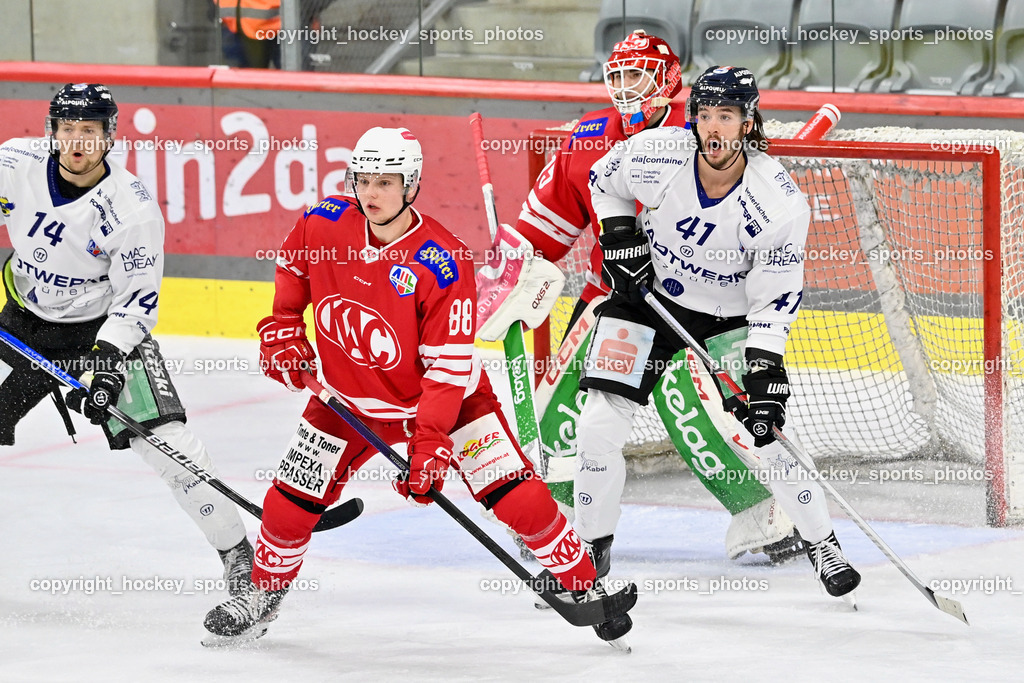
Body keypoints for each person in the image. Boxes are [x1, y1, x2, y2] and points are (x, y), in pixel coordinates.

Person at [202, 127, 633, 650]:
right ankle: (260, 594)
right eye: (363, 180)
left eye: (385, 182)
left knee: (518, 498)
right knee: (290, 501)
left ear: (411, 186)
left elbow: (448, 371)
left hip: (446, 403)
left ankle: (582, 582)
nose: (371, 193)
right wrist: (283, 329)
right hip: (345, 401)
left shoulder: (442, 260)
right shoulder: (323, 224)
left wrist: (429, 445)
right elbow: (292, 268)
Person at [475, 29, 805, 569]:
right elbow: (542, 229)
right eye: (619, 76)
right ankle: (556, 519)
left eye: (639, 75)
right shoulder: (588, 140)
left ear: (669, 81)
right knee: (566, 407)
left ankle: (766, 510)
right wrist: (507, 265)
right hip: (619, 299)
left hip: (706, 305)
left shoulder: (697, 133)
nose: (627, 88)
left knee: (696, 407)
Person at [577, 65, 861, 599]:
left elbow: (774, 297)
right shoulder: (656, 153)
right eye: (704, 114)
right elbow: (602, 183)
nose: (712, 128)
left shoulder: (777, 202)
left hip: (731, 317)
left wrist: (764, 367)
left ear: (747, 122)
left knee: (767, 433)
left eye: (725, 116)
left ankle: (821, 540)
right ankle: (588, 553)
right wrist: (619, 238)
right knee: (597, 425)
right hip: (651, 300)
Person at [0, 83, 253, 595]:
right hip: (23, 323)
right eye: (66, 129)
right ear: (52, 132)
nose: (76, 142)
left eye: (88, 132)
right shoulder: (11, 162)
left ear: (109, 136)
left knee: (171, 449)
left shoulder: (132, 209)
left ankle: (241, 561)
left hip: (102, 333)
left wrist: (108, 360)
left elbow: (138, 301)